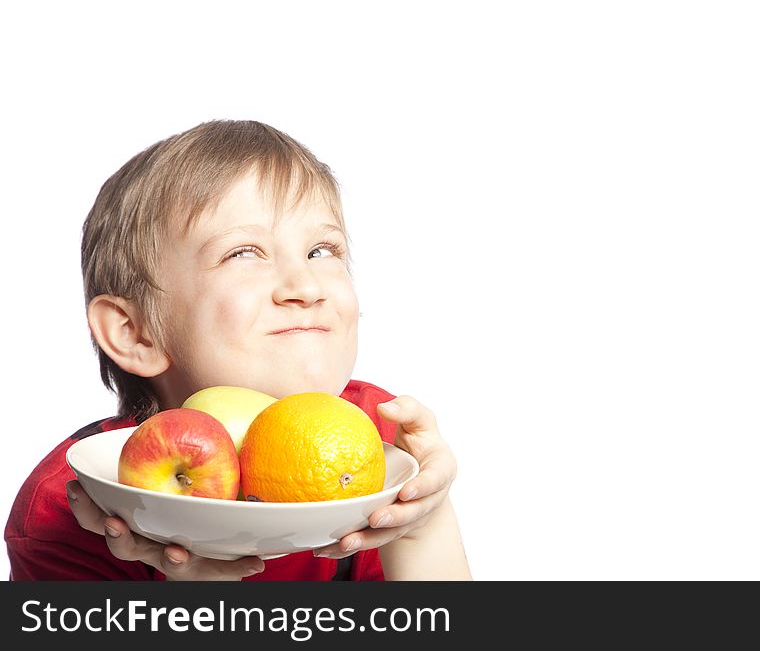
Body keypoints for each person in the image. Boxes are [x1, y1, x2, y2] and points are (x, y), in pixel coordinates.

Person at [4, 120, 471, 581]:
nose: (306, 286)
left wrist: (419, 527)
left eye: (322, 251)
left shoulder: (376, 442)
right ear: (135, 333)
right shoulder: (64, 510)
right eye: (244, 252)